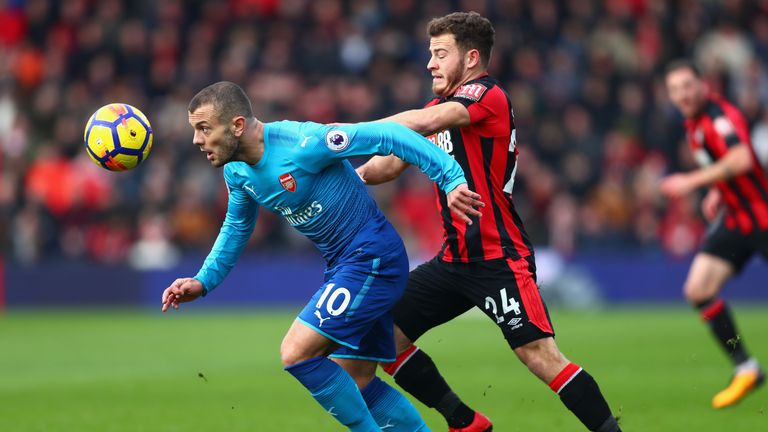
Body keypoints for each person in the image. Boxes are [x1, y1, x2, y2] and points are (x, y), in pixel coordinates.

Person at [161, 81, 485, 431]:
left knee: (296, 351)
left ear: (237, 125)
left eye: (204, 129)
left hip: (372, 256)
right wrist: (203, 281)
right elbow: (236, 228)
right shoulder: (236, 171)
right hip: (346, 264)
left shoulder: (303, 143)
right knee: (356, 378)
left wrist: (451, 178)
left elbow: (390, 135)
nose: (196, 140)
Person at [357, 12, 621, 432]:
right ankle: (465, 422)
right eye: (430, 54)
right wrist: (339, 174)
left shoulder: (487, 96)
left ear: (472, 57)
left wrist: (344, 132)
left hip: (499, 257)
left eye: (441, 54)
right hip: (454, 260)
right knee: (382, 340)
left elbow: (422, 124)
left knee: (539, 356)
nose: (431, 63)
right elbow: (385, 167)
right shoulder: (438, 108)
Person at [660, 60, 766, 408]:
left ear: (702, 85)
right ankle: (746, 367)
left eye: (688, 86)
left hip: (762, 217)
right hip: (736, 219)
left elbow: (740, 160)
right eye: (676, 90)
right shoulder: (694, 123)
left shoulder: (719, 116)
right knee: (698, 289)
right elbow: (729, 164)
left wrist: (691, 182)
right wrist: (719, 190)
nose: (683, 95)